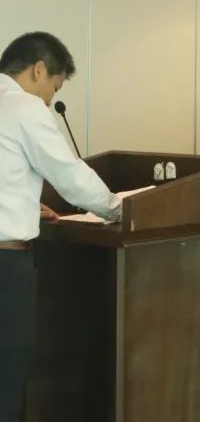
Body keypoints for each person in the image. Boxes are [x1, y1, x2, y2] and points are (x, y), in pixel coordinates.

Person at [0, 32, 123, 420]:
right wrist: (120, 208)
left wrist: (21, 202)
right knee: (6, 376)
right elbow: (71, 178)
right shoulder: (24, 107)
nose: (49, 101)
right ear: (38, 69)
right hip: (5, 267)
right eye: (53, 89)